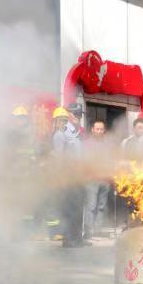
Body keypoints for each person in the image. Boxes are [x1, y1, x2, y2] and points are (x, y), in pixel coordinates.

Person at [52, 105, 88, 248]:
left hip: (79, 176)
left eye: (79, 114)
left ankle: (77, 238)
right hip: (69, 177)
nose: (78, 116)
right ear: (69, 115)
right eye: (75, 114)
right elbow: (59, 157)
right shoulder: (62, 133)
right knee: (70, 208)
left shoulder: (77, 132)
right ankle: (69, 239)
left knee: (78, 208)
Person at [83, 119, 111, 240]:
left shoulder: (107, 145)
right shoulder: (87, 144)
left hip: (105, 179)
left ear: (104, 131)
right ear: (92, 130)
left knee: (101, 206)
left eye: (101, 129)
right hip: (92, 180)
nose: (99, 131)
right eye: (97, 129)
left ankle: (97, 229)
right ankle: (88, 230)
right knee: (91, 206)